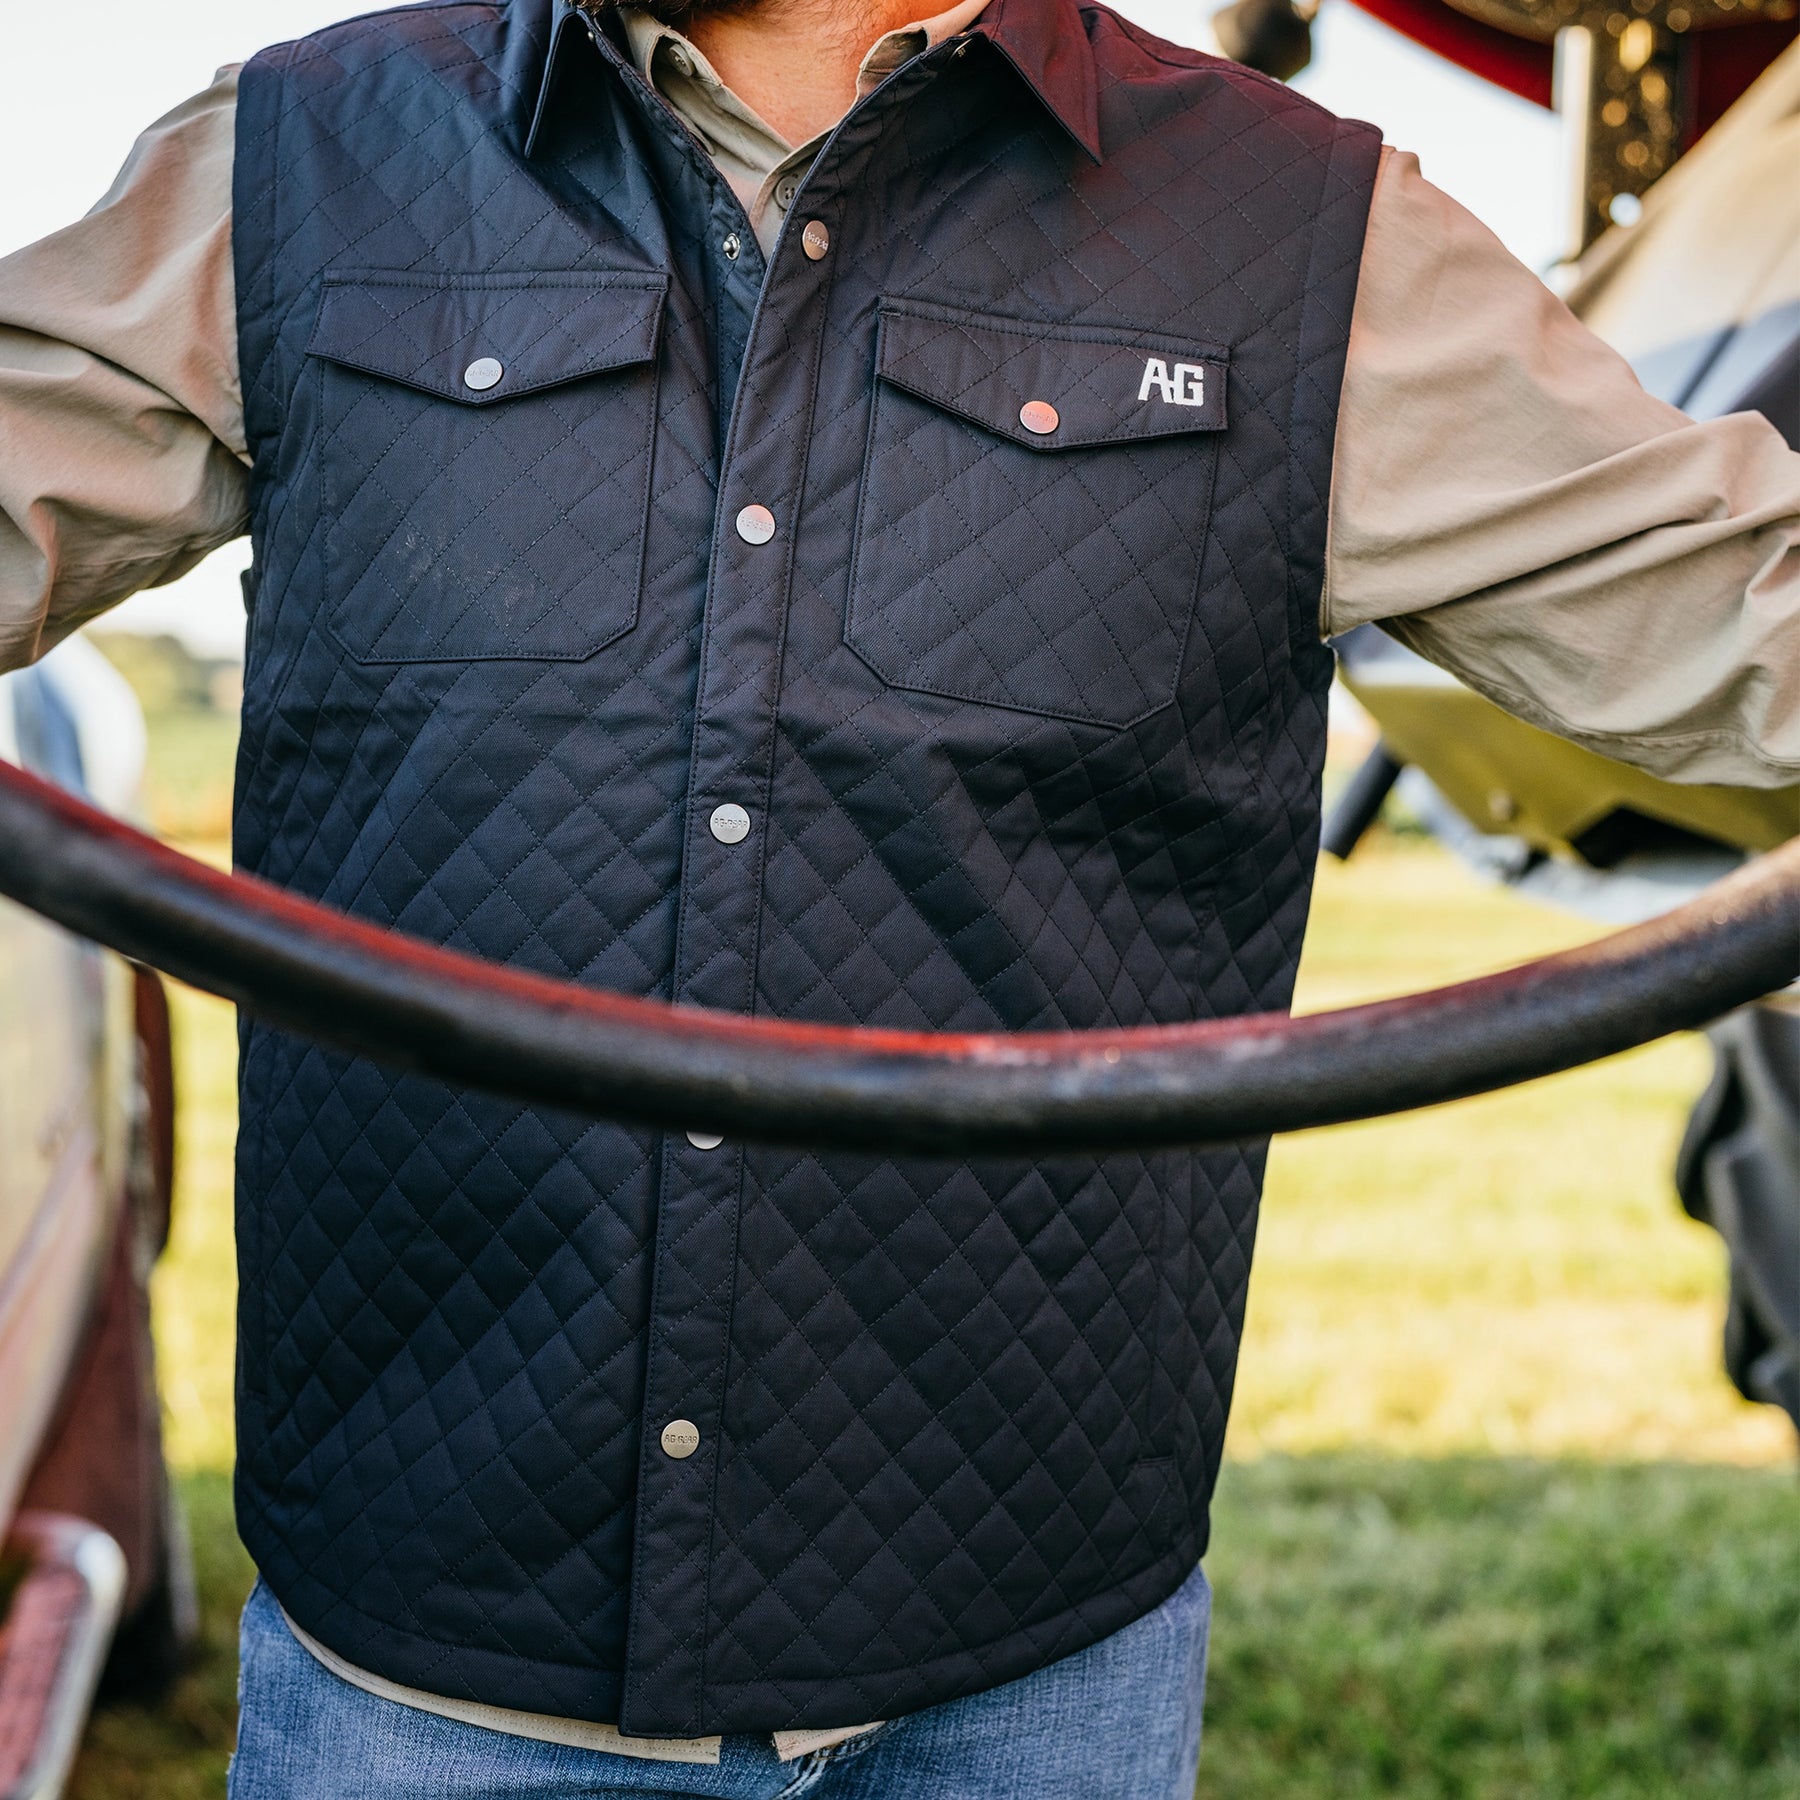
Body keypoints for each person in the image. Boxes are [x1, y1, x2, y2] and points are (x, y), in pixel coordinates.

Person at [2, 2, 1795, 1794]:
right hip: (425, 1653)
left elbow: (1734, 605)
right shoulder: (303, 156)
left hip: (1027, 1662)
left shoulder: (1307, 230)